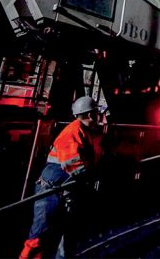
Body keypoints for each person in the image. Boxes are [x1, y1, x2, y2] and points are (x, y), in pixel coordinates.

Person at [19, 96, 108, 259]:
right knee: (39, 235)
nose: (98, 115)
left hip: (66, 189)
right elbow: (74, 166)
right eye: (96, 112)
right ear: (89, 114)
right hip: (50, 189)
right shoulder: (73, 132)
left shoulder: (88, 131)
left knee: (66, 235)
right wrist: (96, 175)